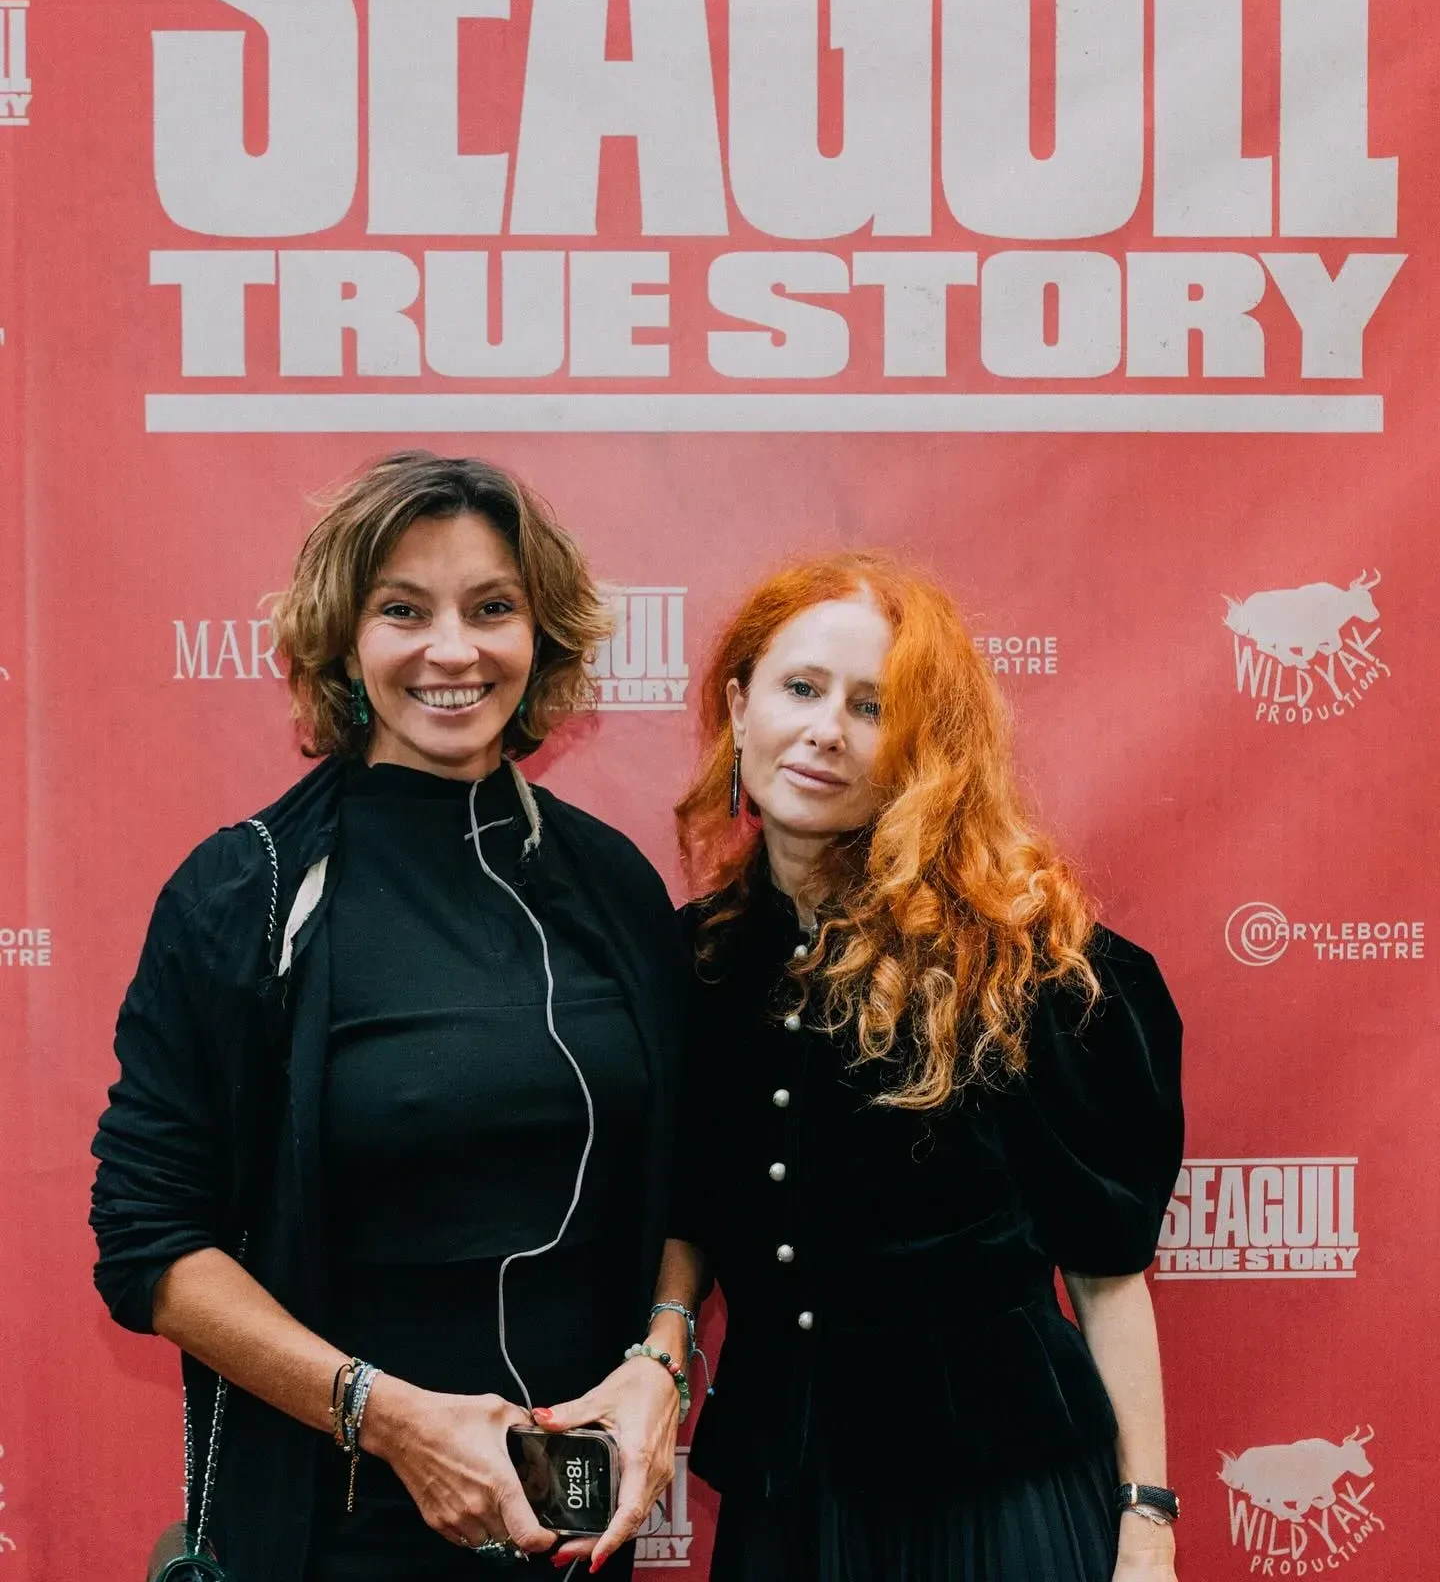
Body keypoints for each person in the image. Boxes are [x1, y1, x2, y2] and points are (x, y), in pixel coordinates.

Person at [90, 452, 691, 1582]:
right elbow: (149, 1242)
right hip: (334, 1530)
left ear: (541, 634)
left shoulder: (611, 884)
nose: (452, 650)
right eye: (403, 610)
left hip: (571, 1530)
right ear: (344, 640)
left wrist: (662, 1359)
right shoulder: (247, 892)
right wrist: (392, 1419)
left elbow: (686, 1175)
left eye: (493, 607)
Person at [659, 553, 1185, 1582]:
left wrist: (1147, 1527)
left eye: (873, 707)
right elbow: (686, 1208)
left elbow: (1107, 1274)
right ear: (740, 704)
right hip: (787, 1504)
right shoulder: (694, 961)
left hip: (998, 1507)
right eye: (801, 687)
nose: (827, 729)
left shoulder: (1027, 961)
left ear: (921, 751)